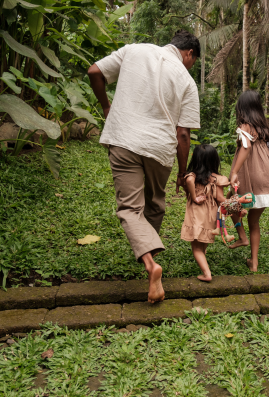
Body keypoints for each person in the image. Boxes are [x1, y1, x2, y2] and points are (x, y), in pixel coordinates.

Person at [87, 30, 201, 303]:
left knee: (130, 208)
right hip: (159, 149)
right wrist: (183, 171)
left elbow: (94, 72)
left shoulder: (134, 50)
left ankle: (150, 263)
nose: (190, 65)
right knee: (155, 204)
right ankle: (148, 257)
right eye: (193, 61)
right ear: (189, 54)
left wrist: (106, 107)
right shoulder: (187, 80)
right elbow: (183, 134)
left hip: (124, 139)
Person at [228, 90, 269, 272]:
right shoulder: (262, 127)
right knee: (254, 221)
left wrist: (234, 172)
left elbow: (245, 148)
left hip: (250, 174)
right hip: (266, 176)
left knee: (229, 203)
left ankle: (242, 237)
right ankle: (254, 262)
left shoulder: (245, 126)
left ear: (242, 108)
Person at [181, 145, 230, 281]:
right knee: (203, 241)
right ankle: (203, 257)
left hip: (197, 213)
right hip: (211, 214)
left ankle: (206, 274)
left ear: (195, 160)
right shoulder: (217, 178)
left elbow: (189, 180)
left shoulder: (193, 176)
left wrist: (194, 197)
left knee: (196, 247)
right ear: (214, 160)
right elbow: (220, 199)